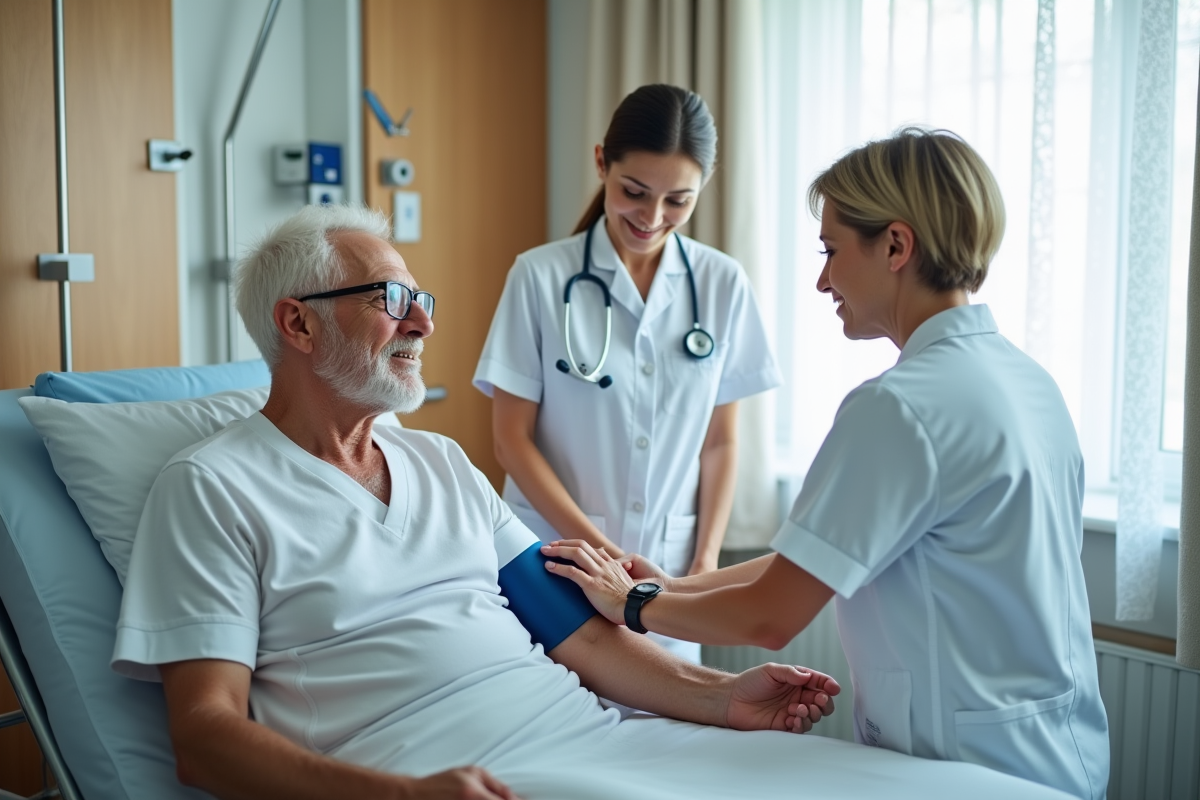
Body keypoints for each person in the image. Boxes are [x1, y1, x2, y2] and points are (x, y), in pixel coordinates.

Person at [110, 204, 848, 800]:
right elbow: (203, 736)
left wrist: (724, 696)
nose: (424, 323)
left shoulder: (440, 461)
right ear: (298, 323)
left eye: (420, 300)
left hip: (599, 744)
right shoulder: (211, 489)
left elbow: (582, 638)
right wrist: (402, 795)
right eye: (390, 299)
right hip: (442, 775)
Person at [542, 128, 1111, 800]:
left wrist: (634, 606)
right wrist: (673, 587)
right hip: (1056, 747)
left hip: (970, 761)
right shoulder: (1023, 380)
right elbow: (820, 560)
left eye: (832, 250)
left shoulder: (900, 408)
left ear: (896, 246)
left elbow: (770, 615)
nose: (822, 280)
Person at [473, 84, 780, 663]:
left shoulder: (722, 284)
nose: (653, 217)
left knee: (674, 722)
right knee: (554, 720)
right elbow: (510, 441)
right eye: (634, 192)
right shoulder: (539, 277)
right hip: (553, 559)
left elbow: (720, 441)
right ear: (600, 163)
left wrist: (704, 566)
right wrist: (603, 554)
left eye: (678, 201)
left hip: (670, 577)